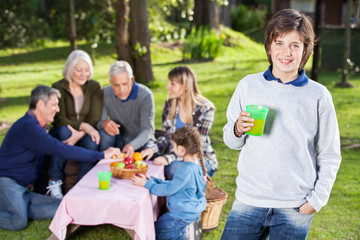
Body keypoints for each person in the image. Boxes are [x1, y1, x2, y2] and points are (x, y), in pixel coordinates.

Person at [221, 9, 341, 240]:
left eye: (295, 45)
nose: (286, 52)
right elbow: (231, 141)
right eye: (279, 43)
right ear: (269, 47)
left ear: (305, 49)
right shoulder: (248, 85)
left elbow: (330, 154)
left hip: (294, 206)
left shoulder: (318, 95)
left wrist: (316, 201)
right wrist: (237, 128)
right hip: (249, 200)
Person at [0, 85, 120, 231]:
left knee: (61, 207)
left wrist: (38, 189)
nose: (57, 109)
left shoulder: (39, 126)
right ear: (40, 105)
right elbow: (62, 149)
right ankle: (13, 207)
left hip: (22, 189)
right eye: (54, 105)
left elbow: (39, 162)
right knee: (18, 221)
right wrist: (102, 155)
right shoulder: (28, 127)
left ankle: (15, 206)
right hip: (6, 183)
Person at [141, 66, 218, 179]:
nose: (168, 87)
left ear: (186, 86)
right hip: (175, 154)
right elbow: (167, 137)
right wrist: (152, 149)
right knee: (152, 163)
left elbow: (197, 146)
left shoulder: (205, 109)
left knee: (173, 170)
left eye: (173, 84)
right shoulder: (169, 105)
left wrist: (169, 158)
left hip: (199, 158)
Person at [132, 126, 207, 239]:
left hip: (181, 216)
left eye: (174, 145)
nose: (172, 147)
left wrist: (146, 184)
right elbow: (176, 185)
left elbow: (169, 190)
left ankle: (185, 234)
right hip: (189, 213)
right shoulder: (196, 166)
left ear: (181, 149)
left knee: (155, 232)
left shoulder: (185, 170)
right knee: (161, 225)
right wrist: (156, 181)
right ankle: (187, 231)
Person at [47, 50, 103, 199]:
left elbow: (94, 117)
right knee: (65, 133)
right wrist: (84, 127)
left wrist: (82, 131)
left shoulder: (94, 87)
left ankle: (82, 185)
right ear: (70, 69)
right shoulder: (58, 87)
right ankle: (54, 182)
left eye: (86, 70)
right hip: (62, 131)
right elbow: (59, 118)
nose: (83, 74)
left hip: (85, 133)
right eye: (79, 70)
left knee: (92, 142)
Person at [97, 60, 155, 158]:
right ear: (111, 83)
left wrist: (132, 145)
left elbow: (148, 129)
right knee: (104, 134)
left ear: (132, 80)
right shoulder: (105, 93)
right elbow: (99, 123)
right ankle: (104, 166)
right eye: (116, 85)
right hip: (119, 138)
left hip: (141, 140)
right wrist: (104, 123)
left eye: (124, 84)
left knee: (150, 152)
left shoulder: (145, 95)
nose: (121, 90)